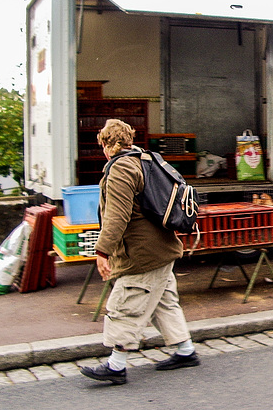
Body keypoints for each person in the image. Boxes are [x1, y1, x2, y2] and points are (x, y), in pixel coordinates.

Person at [80, 119, 200, 385]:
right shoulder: (145, 159)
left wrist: (102, 251)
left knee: (126, 303)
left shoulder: (121, 168)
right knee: (163, 302)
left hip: (142, 254)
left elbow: (116, 217)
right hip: (162, 248)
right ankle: (185, 351)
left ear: (105, 143)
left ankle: (116, 366)